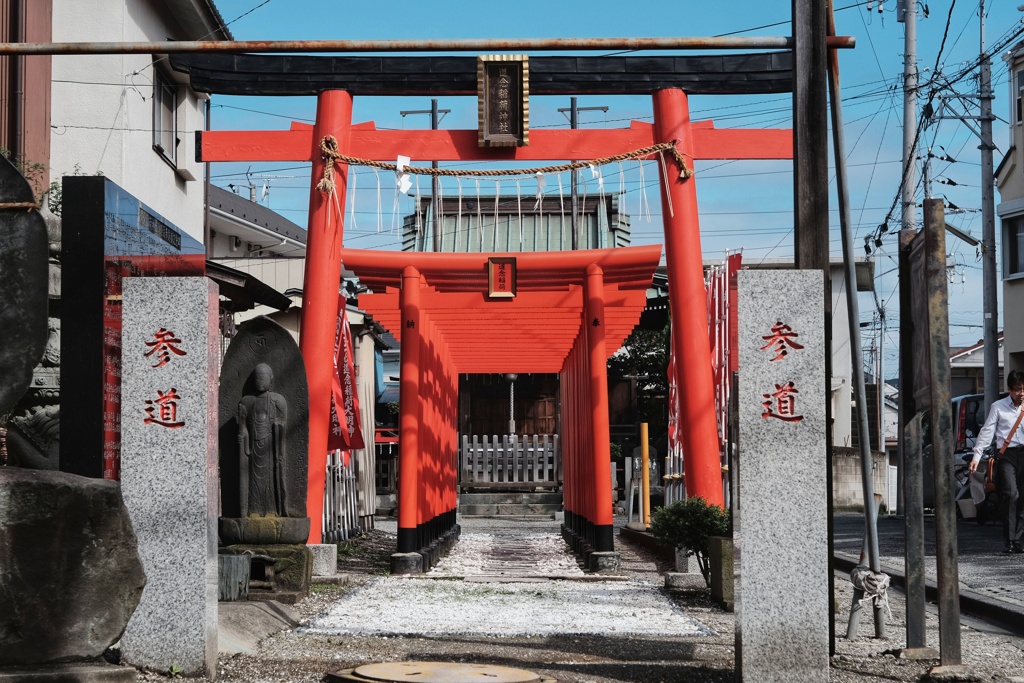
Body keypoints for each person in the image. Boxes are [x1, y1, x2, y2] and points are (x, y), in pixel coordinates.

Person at [971, 369, 1024, 553]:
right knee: (1011, 494)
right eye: (1018, 389)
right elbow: (987, 431)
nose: (1021, 393)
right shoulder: (999, 406)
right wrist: (977, 456)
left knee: (1023, 498)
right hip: (1006, 455)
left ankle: (1017, 539)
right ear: (1010, 389)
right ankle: (1009, 540)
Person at [237, 363, 288, 517]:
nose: (260, 381)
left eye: (263, 378)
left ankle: (272, 510)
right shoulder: (246, 401)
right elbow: (243, 426)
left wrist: (278, 426)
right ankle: (252, 510)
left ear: (271, 380)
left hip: (271, 449)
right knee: (253, 481)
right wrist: (242, 434)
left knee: (269, 482)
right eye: (257, 378)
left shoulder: (278, 401)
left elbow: (283, 424)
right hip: (252, 449)